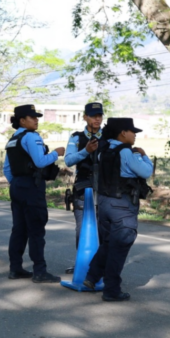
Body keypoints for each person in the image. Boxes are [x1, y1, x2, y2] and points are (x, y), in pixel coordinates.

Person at [83, 118, 153, 302]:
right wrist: (144, 156)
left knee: (108, 243)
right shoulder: (126, 152)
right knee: (120, 246)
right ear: (123, 133)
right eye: (132, 131)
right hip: (122, 205)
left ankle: (92, 277)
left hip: (104, 203)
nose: (135, 135)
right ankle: (111, 290)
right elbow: (146, 172)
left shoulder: (103, 148)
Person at [3, 104, 65, 283]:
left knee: (19, 230)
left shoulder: (13, 139)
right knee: (36, 230)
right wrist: (56, 153)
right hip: (31, 187)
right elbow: (40, 162)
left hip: (17, 186)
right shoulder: (31, 136)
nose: (36, 120)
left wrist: (17, 183)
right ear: (22, 120)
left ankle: (15, 268)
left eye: (37, 117)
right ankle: (39, 271)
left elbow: (6, 168)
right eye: (32, 117)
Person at [63, 102, 105, 274]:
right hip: (83, 189)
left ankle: (99, 267)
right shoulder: (76, 138)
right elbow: (68, 160)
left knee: (103, 230)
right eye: (93, 116)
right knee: (82, 229)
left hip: (104, 189)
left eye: (99, 115)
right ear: (85, 117)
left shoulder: (109, 136)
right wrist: (86, 151)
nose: (97, 119)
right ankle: (82, 264)